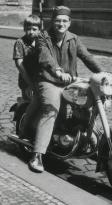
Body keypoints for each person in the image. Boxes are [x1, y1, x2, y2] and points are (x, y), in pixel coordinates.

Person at [28, 6, 103, 172]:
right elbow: (45, 57)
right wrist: (58, 71)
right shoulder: (43, 37)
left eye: (64, 21)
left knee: (87, 105)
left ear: (69, 23)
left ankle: (90, 143)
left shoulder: (74, 39)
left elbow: (87, 57)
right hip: (48, 81)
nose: (61, 23)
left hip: (68, 82)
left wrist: (102, 73)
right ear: (52, 22)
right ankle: (37, 155)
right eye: (57, 20)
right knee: (51, 110)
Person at [13, 14, 41, 100]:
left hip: (40, 80)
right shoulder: (20, 42)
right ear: (24, 29)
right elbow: (19, 65)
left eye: (34, 29)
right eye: (28, 29)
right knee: (28, 104)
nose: (31, 32)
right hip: (26, 80)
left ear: (39, 30)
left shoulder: (41, 42)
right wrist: (30, 84)